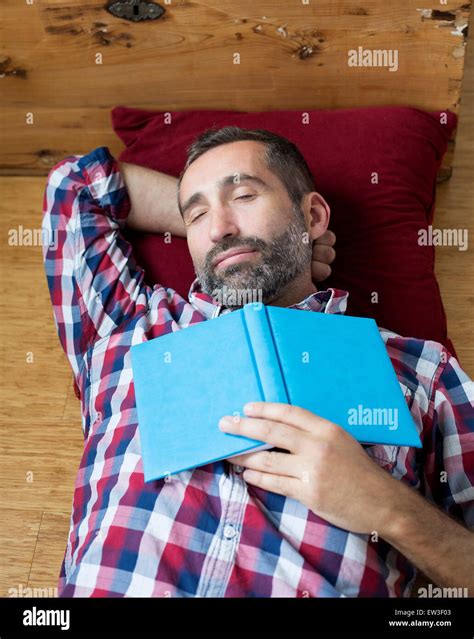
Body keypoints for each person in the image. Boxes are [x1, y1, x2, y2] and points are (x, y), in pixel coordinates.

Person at [42, 127, 474, 598]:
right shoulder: (129, 328)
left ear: (312, 214)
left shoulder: (420, 372)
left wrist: (390, 509)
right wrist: (234, 234)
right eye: (196, 213)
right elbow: (77, 185)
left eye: (245, 194)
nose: (218, 226)